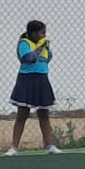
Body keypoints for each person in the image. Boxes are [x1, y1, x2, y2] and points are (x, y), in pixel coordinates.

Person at [6, 20, 61, 156]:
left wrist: (46, 49)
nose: (44, 36)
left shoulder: (44, 44)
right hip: (26, 80)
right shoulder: (24, 43)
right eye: (42, 33)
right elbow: (29, 58)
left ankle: (49, 145)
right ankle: (14, 147)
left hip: (41, 79)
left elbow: (47, 59)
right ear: (33, 33)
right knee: (22, 114)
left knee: (44, 114)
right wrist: (40, 48)